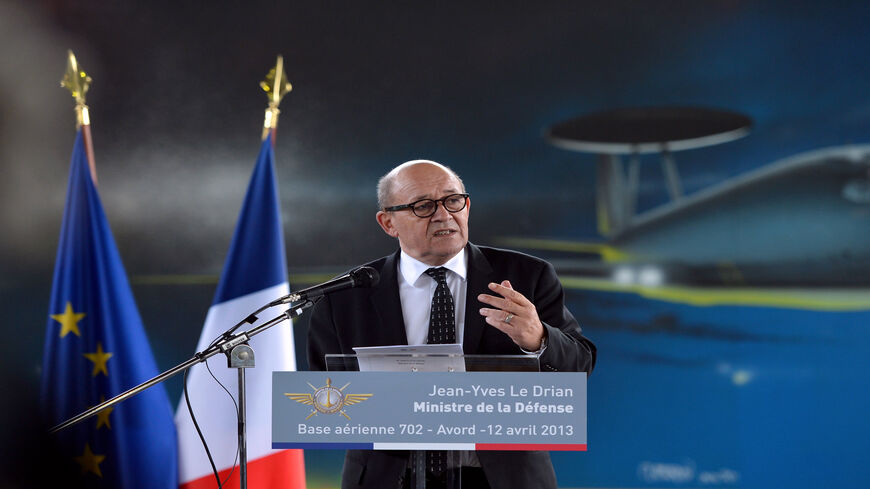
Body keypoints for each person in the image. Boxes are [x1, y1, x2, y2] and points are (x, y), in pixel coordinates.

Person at [307, 160, 596, 489]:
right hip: (388, 478)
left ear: (467, 206)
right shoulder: (345, 296)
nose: (443, 215)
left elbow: (580, 366)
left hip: (502, 479)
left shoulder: (527, 276)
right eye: (423, 206)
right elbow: (325, 398)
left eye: (453, 200)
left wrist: (538, 338)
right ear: (388, 222)